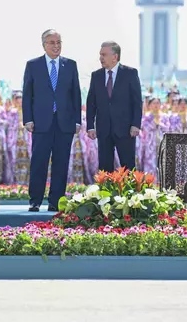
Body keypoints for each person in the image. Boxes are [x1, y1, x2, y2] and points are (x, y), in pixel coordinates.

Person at [23, 29, 81, 211]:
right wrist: (28, 119)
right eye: (52, 42)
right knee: (39, 162)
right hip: (41, 123)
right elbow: (27, 94)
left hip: (65, 123)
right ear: (44, 45)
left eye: (58, 42)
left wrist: (77, 121)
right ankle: (35, 200)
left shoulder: (70, 65)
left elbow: (76, 94)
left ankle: (56, 201)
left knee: (61, 163)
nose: (56, 46)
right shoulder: (33, 65)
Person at [86, 41, 142, 172]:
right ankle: (107, 186)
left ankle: (129, 187)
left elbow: (137, 101)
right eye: (100, 54)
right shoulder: (96, 76)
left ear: (115, 56)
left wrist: (136, 124)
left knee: (128, 168)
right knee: (105, 169)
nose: (100, 58)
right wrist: (90, 126)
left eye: (104, 55)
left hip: (125, 130)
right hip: (103, 130)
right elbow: (91, 103)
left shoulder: (130, 73)